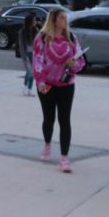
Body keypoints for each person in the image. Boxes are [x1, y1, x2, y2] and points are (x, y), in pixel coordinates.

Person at [33, 9, 86, 173]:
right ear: (54, 20)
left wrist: (73, 64)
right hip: (47, 85)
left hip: (66, 85)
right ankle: (47, 144)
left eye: (65, 17)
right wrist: (40, 81)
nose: (65, 20)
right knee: (48, 118)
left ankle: (64, 158)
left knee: (65, 120)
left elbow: (81, 61)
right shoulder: (42, 38)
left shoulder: (71, 38)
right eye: (62, 17)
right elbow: (37, 60)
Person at [18, 12, 39, 96]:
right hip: (26, 54)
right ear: (29, 21)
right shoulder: (22, 32)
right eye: (34, 20)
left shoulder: (35, 30)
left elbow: (38, 43)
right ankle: (24, 87)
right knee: (29, 71)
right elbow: (21, 45)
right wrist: (24, 56)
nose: (35, 22)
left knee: (32, 73)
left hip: (34, 54)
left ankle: (29, 89)